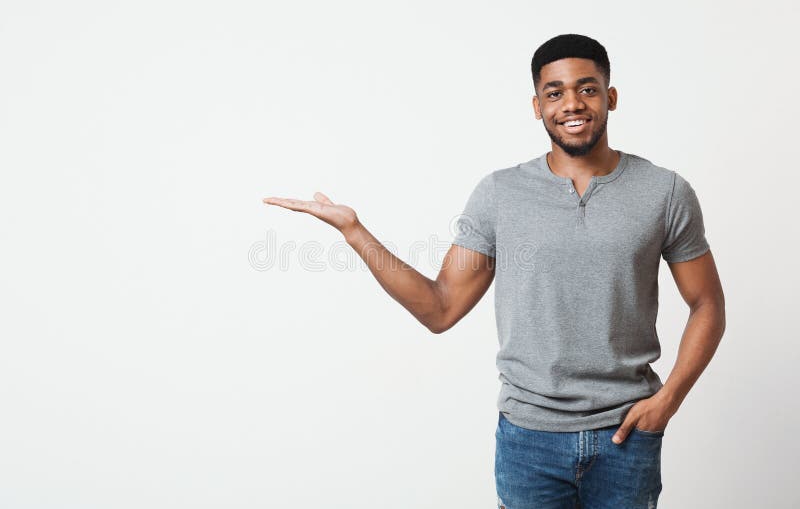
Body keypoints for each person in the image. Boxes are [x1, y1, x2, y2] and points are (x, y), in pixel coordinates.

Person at [262, 33, 726, 509]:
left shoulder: (664, 192)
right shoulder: (501, 194)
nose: (572, 103)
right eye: (555, 92)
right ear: (537, 105)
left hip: (626, 436)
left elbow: (707, 303)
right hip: (529, 441)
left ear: (610, 97)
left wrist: (668, 400)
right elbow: (441, 308)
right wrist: (355, 231)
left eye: (587, 89)